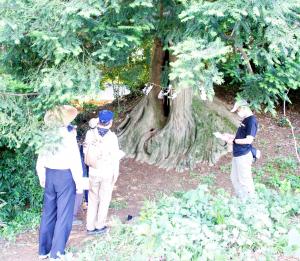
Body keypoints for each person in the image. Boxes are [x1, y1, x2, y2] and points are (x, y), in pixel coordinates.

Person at [36, 105, 83, 260]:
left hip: (50, 174)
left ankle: (43, 250)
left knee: (48, 213)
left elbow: (40, 158)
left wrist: (42, 175)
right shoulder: (69, 135)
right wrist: (79, 183)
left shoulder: (46, 134)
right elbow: (75, 161)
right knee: (64, 214)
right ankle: (57, 253)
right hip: (65, 176)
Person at [84, 110, 124, 235]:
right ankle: (100, 225)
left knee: (92, 198)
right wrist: (116, 173)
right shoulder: (112, 137)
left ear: (99, 120)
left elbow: (85, 152)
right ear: (110, 122)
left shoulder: (90, 134)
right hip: (107, 172)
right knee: (104, 199)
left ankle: (90, 226)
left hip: (93, 171)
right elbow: (114, 157)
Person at [215, 100, 259, 200]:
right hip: (237, 154)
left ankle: (251, 202)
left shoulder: (252, 121)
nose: (238, 112)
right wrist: (228, 136)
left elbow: (248, 140)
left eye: (238, 110)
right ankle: (241, 200)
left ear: (244, 108)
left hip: (244, 154)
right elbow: (240, 136)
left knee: (245, 180)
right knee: (234, 178)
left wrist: (232, 140)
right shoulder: (245, 120)